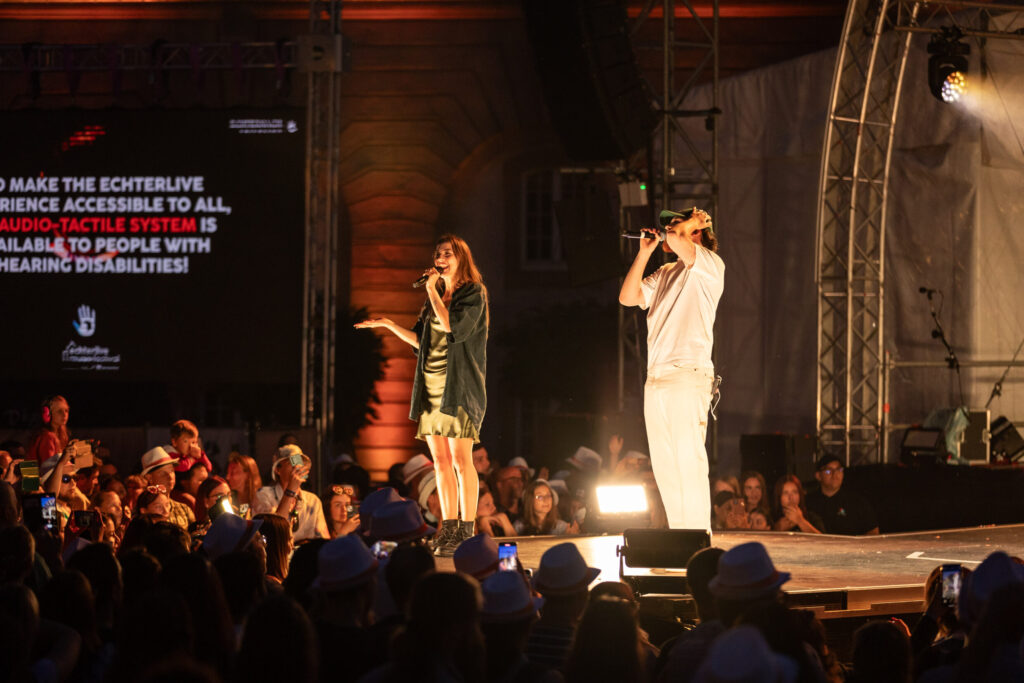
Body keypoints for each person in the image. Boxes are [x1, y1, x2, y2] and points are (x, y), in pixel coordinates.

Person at [355, 234, 489, 557]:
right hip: (431, 385)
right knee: (440, 462)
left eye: (447, 253)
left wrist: (431, 290)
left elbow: (453, 328)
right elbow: (421, 340)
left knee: (460, 459)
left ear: (460, 257)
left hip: (458, 386)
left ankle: (467, 531)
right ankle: (450, 528)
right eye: (437, 253)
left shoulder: (473, 293)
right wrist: (388, 324)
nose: (440, 258)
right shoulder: (436, 296)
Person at [618, 207, 723, 530]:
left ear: (698, 232)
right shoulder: (664, 272)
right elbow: (627, 297)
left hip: (687, 374)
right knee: (665, 465)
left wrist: (692, 223)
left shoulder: (709, 264)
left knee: (689, 462)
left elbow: (679, 238)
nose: (667, 229)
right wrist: (643, 254)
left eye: (675, 223)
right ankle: (681, 536)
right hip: (658, 377)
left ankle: (698, 537)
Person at [252, 445, 329, 542]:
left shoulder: (313, 501)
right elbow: (274, 532)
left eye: (299, 461)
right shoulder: (264, 495)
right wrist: (290, 491)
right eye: (291, 462)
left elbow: (322, 541)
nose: (297, 466)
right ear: (278, 470)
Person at [804, 454, 879, 535]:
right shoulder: (808, 502)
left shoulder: (856, 501)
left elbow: (873, 531)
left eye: (838, 470)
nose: (835, 474)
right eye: (828, 471)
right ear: (818, 476)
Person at [140, 447, 195, 531]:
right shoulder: (143, 512)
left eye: (171, 471)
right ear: (149, 478)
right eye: (163, 473)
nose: (170, 477)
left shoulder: (184, 509)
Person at [514, 480, 578, 536]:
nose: (546, 500)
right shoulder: (519, 526)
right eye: (540, 497)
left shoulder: (561, 527)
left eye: (548, 496)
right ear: (530, 500)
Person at [28, 395, 72, 462]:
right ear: (47, 414)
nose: (64, 414)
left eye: (66, 410)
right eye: (59, 411)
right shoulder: (46, 436)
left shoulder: (59, 434)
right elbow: (49, 469)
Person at [226, 453, 262, 519]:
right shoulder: (229, 500)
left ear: (248, 475)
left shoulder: (262, 500)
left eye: (232, 473)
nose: (227, 477)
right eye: (228, 473)